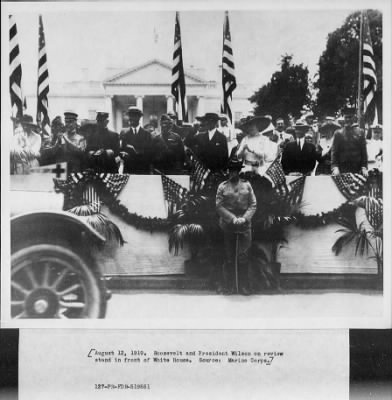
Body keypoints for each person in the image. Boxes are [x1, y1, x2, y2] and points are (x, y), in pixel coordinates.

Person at [216, 157, 257, 295]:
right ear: (228, 171)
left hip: (244, 225)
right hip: (228, 224)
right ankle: (229, 286)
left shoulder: (247, 185)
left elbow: (253, 204)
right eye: (231, 170)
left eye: (235, 170)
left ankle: (244, 286)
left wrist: (244, 219)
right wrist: (232, 218)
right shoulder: (222, 186)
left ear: (239, 171)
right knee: (229, 256)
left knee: (243, 255)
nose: (232, 173)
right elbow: (219, 206)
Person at [331, 107, 368, 176]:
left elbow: (364, 152)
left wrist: (364, 167)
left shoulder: (360, 132)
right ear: (343, 118)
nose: (348, 119)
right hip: (342, 168)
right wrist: (335, 167)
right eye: (346, 117)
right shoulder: (338, 133)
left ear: (354, 118)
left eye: (350, 117)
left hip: (357, 168)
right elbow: (334, 152)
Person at [119, 107, 154, 174]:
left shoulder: (147, 134)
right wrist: (123, 154)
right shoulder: (124, 133)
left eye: (133, 116)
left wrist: (135, 151)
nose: (130, 118)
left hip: (142, 170)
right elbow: (121, 150)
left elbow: (149, 154)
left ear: (139, 117)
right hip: (128, 169)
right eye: (129, 116)